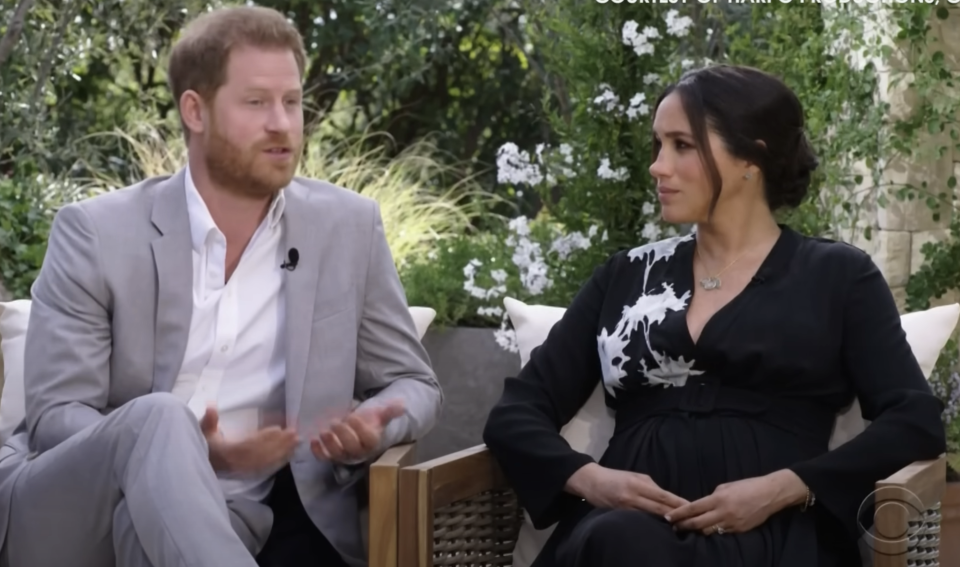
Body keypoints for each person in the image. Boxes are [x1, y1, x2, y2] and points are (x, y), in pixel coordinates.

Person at [0, 6, 442, 567]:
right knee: (161, 420)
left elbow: (413, 381)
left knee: (149, 532)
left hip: (227, 516)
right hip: (62, 513)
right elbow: (55, 414)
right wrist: (178, 452)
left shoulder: (347, 228)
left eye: (292, 101)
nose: (282, 123)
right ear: (196, 110)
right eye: (256, 102)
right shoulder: (97, 232)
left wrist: (374, 425)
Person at [481, 64, 946, 567]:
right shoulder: (627, 276)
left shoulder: (837, 276)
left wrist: (787, 487)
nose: (659, 166)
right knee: (617, 543)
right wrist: (591, 479)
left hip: (777, 536)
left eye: (682, 146)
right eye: (658, 145)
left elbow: (913, 420)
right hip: (622, 535)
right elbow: (516, 414)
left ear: (752, 158)